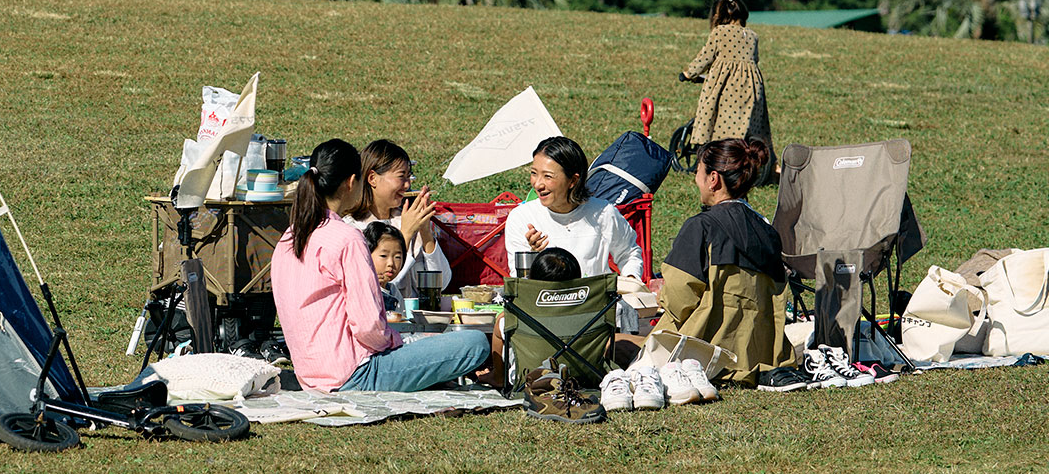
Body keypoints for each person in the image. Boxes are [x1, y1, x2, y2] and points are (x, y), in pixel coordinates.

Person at [272, 139, 488, 392]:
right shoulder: (348, 237)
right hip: (355, 373)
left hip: (310, 374)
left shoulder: (289, 237)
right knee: (475, 342)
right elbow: (368, 327)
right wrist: (398, 341)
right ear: (352, 182)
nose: (407, 184)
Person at [653, 138, 798, 388]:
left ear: (713, 179)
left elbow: (679, 302)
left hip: (702, 353)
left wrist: (660, 295)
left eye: (698, 171)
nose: (695, 179)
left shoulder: (701, 227)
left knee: (619, 343)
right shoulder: (769, 233)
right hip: (759, 355)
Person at [503, 136, 647, 296]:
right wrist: (531, 255)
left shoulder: (603, 213)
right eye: (534, 173)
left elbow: (629, 253)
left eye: (548, 176)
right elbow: (520, 284)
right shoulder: (522, 217)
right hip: (542, 305)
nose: (537, 184)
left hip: (594, 304)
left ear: (572, 180)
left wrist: (630, 281)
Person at [343, 140, 449, 303]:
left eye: (409, 177)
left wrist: (425, 231)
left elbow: (442, 283)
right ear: (372, 178)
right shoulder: (352, 227)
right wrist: (405, 234)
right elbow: (381, 284)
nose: (407, 185)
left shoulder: (407, 218)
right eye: (401, 176)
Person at [680, 0, 774, 169]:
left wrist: (688, 73)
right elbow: (754, 61)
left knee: (714, 121)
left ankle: (715, 159)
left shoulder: (720, 32)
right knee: (745, 126)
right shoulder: (753, 36)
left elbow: (705, 58)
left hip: (726, 88)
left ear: (719, 14)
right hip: (751, 90)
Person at [362, 222, 408, 312]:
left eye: (397, 257)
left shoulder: (394, 291)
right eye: (383, 256)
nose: (391, 263)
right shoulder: (360, 288)